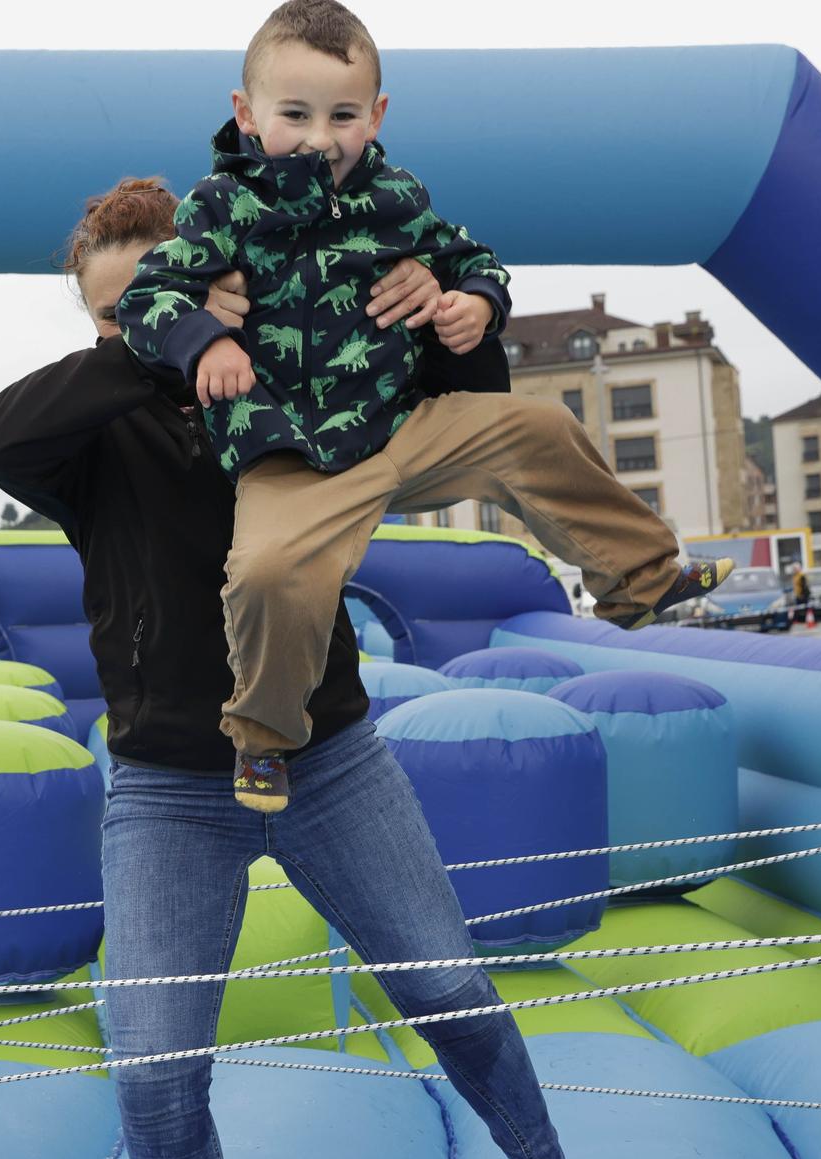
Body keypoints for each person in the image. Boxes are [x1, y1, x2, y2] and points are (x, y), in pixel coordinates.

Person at [0, 177, 647, 1159]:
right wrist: (164, 341)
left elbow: (454, 389)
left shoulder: (290, 369)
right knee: (152, 1073)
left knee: (449, 987)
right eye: (107, 313)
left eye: (153, 298)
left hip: (326, 756)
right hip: (169, 790)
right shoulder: (86, 434)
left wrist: (454, 306)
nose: (125, 324)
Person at [116, 0, 729, 811]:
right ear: (246, 113)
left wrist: (475, 300)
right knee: (267, 573)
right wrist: (207, 340)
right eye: (293, 115)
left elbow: (474, 258)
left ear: (377, 114)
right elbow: (147, 298)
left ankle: (640, 576)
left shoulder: (395, 194)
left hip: (407, 425)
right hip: (296, 456)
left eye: (342, 115)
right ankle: (264, 739)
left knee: (540, 427)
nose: (318, 138)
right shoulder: (221, 207)